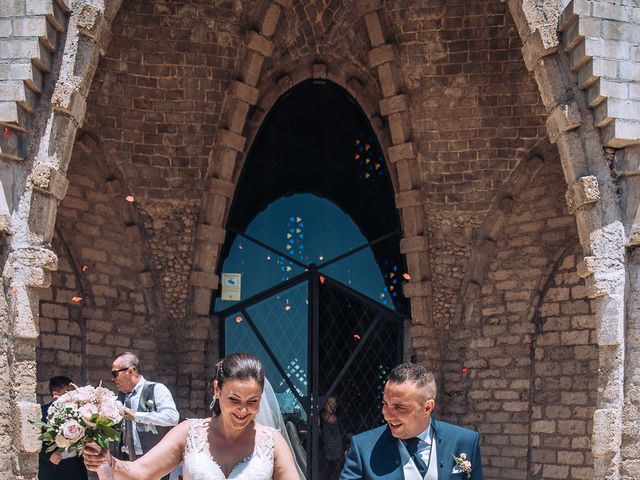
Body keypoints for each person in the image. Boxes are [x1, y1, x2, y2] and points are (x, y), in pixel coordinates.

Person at [84, 352, 301, 480]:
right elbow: (142, 471)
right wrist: (109, 462)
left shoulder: (272, 442)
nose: (243, 410)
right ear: (217, 390)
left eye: (252, 401)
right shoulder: (189, 433)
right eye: (234, 400)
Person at [340, 362, 483, 480]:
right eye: (385, 404)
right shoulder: (362, 447)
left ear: (427, 408)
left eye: (399, 407)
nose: (387, 415)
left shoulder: (465, 441)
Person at [111, 352, 179, 479]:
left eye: (115, 373)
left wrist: (136, 415)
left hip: (153, 460)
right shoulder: (118, 397)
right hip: (125, 459)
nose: (113, 379)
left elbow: (172, 417)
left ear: (130, 371)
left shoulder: (156, 389)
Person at [39, 376, 88, 480]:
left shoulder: (81, 411)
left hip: (76, 465)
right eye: (67, 392)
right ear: (55, 394)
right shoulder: (42, 413)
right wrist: (49, 457)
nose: (72, 396)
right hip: (54, 467)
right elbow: (36, 441)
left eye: (73, 392)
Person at [320, 395, 344, 479]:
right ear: (323, 405)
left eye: (334, 404)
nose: (332, 406)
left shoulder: (339, 418)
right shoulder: (319, 418)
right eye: (330, 403)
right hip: (325, 455)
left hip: (339, 454)